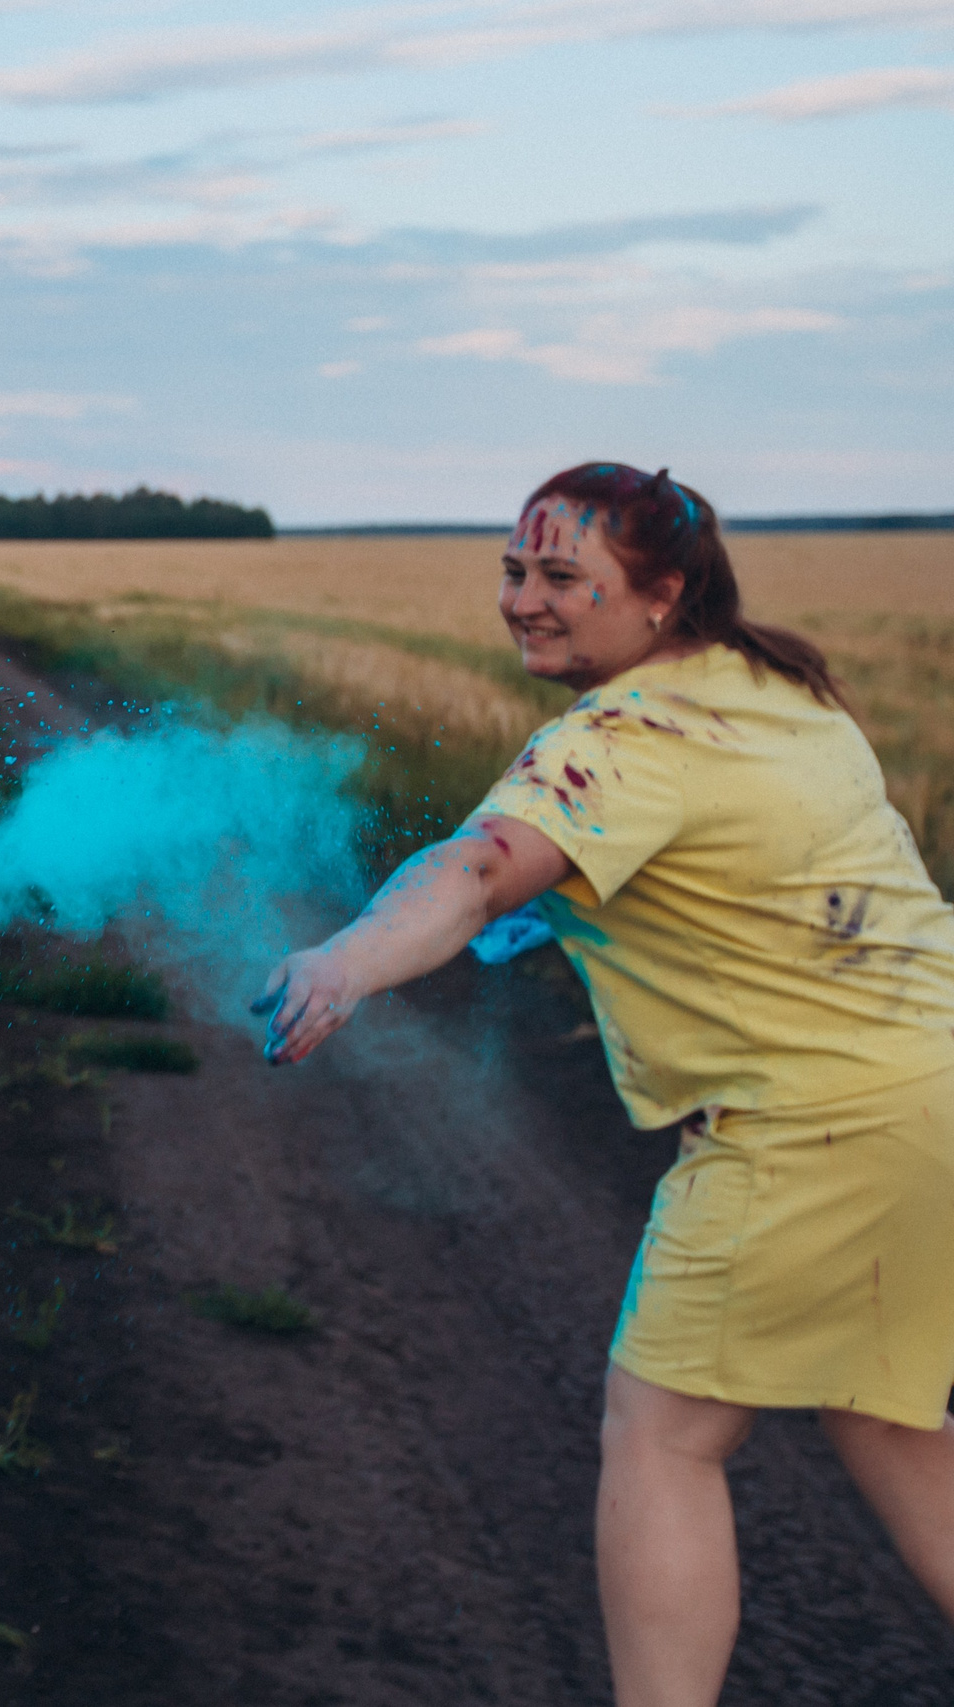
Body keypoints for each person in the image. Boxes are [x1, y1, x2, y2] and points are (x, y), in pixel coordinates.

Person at [255, 464, 954, 1706]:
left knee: (662, 1435)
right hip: (929, 1094)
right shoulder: (778, 689)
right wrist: (542, 919)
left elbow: (469, 874)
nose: (524, 602)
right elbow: (734, 879)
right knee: (891, 1425)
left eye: (562, 577)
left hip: (810, 1130)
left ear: (657, 595)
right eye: (514, 573)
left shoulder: (614, 745)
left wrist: (347, 960)